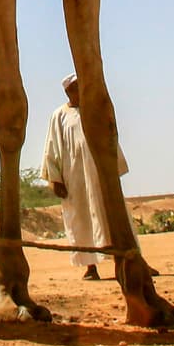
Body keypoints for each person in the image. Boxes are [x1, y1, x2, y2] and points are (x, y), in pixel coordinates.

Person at [41, 72, 127, 280]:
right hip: (75, 179)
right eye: (76, 88)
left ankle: (125, 263)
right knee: (81, 221)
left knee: (111, 217)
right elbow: (51, 147)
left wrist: (114, 168)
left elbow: (109, 137)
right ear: (68, 91)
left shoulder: (94, 110)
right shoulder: (59, 115)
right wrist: (55, 179)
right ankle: (90, 268)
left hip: (99, 177)